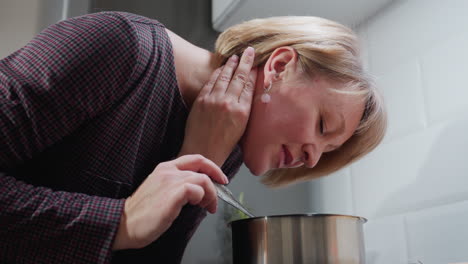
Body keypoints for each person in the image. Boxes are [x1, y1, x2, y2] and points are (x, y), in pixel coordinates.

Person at [0, 11, 386, 264]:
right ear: (279, 66)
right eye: (322, 126)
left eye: (327, 150)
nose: (313, 159)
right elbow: (125, 231)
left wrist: (199, 154)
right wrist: (121, 220)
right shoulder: (118, 45)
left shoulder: (226, 143)